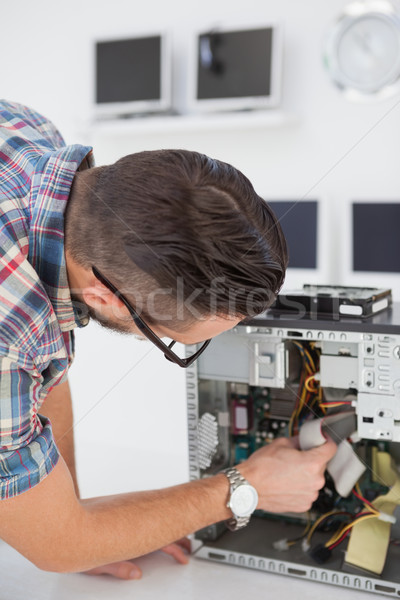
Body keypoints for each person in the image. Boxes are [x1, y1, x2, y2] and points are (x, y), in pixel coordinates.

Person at [0, 100, 336, 580]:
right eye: (181, 341)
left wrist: (86, 522)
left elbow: (44, 363)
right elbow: (57, 549)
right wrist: (246, 485)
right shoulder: (9, 332)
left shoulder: (32, 135)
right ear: (106, 297)